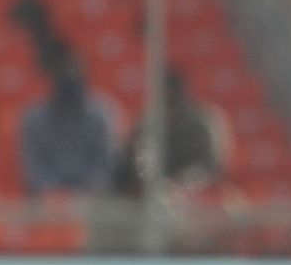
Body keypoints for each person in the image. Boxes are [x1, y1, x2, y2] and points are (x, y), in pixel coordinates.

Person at [114, 67, 228, 195]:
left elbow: (211, 166)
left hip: (194, 191)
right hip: (153, 192)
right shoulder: (147, 122)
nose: (169, 105)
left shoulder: (202, 122)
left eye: (173, 98)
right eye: (165, 98)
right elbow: (135, 158)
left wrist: (183, 183)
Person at [19, 53, 115, 194]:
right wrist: (53, 192)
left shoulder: (100, 115)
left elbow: (104, 163)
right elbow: (34, 165)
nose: (69, 82)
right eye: (63, 75)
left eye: (75, 75)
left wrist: (86, 191)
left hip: (91, 199)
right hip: (46, 200)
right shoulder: (35, 118)